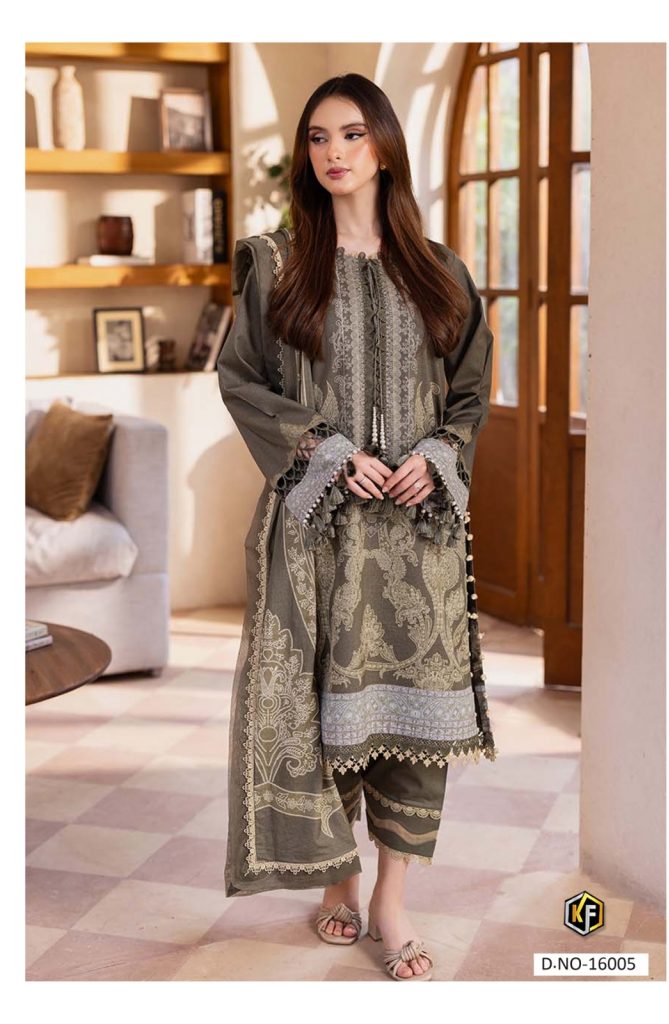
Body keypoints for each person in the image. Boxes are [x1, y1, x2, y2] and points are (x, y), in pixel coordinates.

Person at [217, 72, 498, 982]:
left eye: (349, 134)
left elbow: (468, 390)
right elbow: (240, 379)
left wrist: (442, 452)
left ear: (382, 145)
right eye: (316, 138)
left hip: (416, 538)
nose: (332, 152)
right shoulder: (276, 264)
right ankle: (336, 881)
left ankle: (390, 901)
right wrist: (323, 448)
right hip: (317, 532)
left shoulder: (440, 270)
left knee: (411, 721)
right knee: (319, 711)